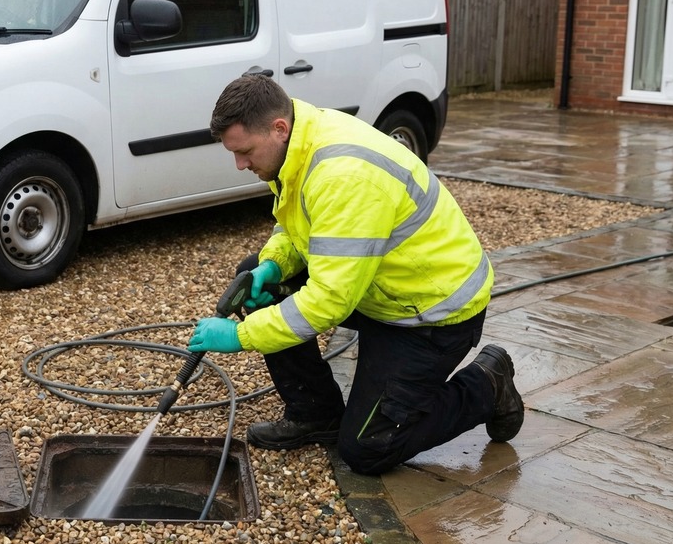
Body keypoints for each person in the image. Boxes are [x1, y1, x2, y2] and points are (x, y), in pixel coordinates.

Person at [187, 74, 523, 475]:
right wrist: (272, 265)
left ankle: (488, 384)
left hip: (429, 314)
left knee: (367, 448)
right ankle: (316, 412)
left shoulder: (344, 175)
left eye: (245, 152)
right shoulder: (300, 142)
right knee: (254, 274)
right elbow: (298, 224)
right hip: (378, 289)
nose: (240, 164)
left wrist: (241, 336)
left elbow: (328, 302)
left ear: (278, 128)